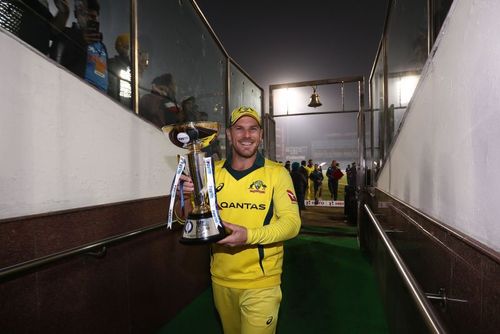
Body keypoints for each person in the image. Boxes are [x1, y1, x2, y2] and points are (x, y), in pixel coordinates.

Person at [176, 106, 301, 334]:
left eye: (253, 129)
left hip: (262, 283)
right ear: (229, 135)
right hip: (221, 279)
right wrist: (185, 198)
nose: (246, 135)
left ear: (260, 135)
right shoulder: (211, 172)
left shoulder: (277, 173)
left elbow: (292, 224)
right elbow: (192, 222)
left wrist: (249, 236)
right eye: (239, 129)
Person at [50, 0, 109, 92]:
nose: (89, 19)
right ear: (76, 15)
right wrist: (82, 42)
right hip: (77, 90)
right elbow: (56, 61)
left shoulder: (102, 46)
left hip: (102, 97)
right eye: (85, 15)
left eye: (93, 17)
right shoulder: (66, 34)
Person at [0, 0, 69, 55]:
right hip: (12, 47)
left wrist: (63, 12)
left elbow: (52, 31)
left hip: (37, 57)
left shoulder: (43, 5)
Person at [107, 33, 131, 107]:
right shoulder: (111, 63)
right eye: (124, 46)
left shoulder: (134, 68)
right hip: (113, 102)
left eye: (127, 47)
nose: (125, 50)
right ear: (118, 47)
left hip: (129, 106)